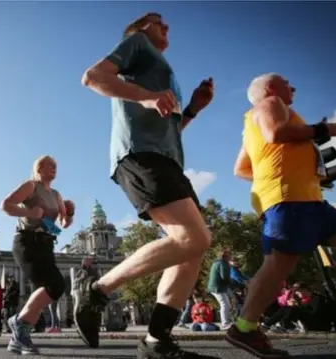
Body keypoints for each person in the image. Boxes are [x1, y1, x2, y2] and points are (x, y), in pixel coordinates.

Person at [78, 12, 216, 358]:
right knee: (192, 238)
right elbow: (93, 77)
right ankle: (97, 290)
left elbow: (168, 128)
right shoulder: (137, 44)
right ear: (139, 29)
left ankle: (157, 340)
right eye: (157, 21)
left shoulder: (160, 68)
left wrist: (194, 109)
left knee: (193, 247)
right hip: (139, 155)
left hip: (166, 159)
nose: (166, 26)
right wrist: (144, 97)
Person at [227, 73, 336, 358]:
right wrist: (324, 129)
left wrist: (291, 173)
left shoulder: (252, 124)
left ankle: (245, 327)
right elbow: (276, 134)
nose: (293, 86)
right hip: (288, 199)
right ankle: (244, 327)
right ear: (271, 88)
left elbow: (241, 168)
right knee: (280, 263)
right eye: (287, 82)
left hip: (307, 198)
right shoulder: (269, 103)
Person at [0, 155, 75, 355]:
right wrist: (29, 213)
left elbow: (64, 223)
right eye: (50, 165)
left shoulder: (57, 194)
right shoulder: (31, 186)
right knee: (54, 285)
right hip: (27, 242)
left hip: (46, 245)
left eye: (56, 166)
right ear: (39, 168)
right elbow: (6, 205)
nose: (55, 168)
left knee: (49, 288)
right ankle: (19, 324)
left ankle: (20, 336)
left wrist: (70, 213)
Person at [207, 250, 232, 329]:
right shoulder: (223, 263)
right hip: (217, 288)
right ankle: (225, 324)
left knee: (226, 304)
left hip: (215, 287)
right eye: (229, 255)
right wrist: (233, 284)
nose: (230, 256)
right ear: (225, 256)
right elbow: (224, 277)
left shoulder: (217, 262)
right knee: (225, 304)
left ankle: (226, 322)